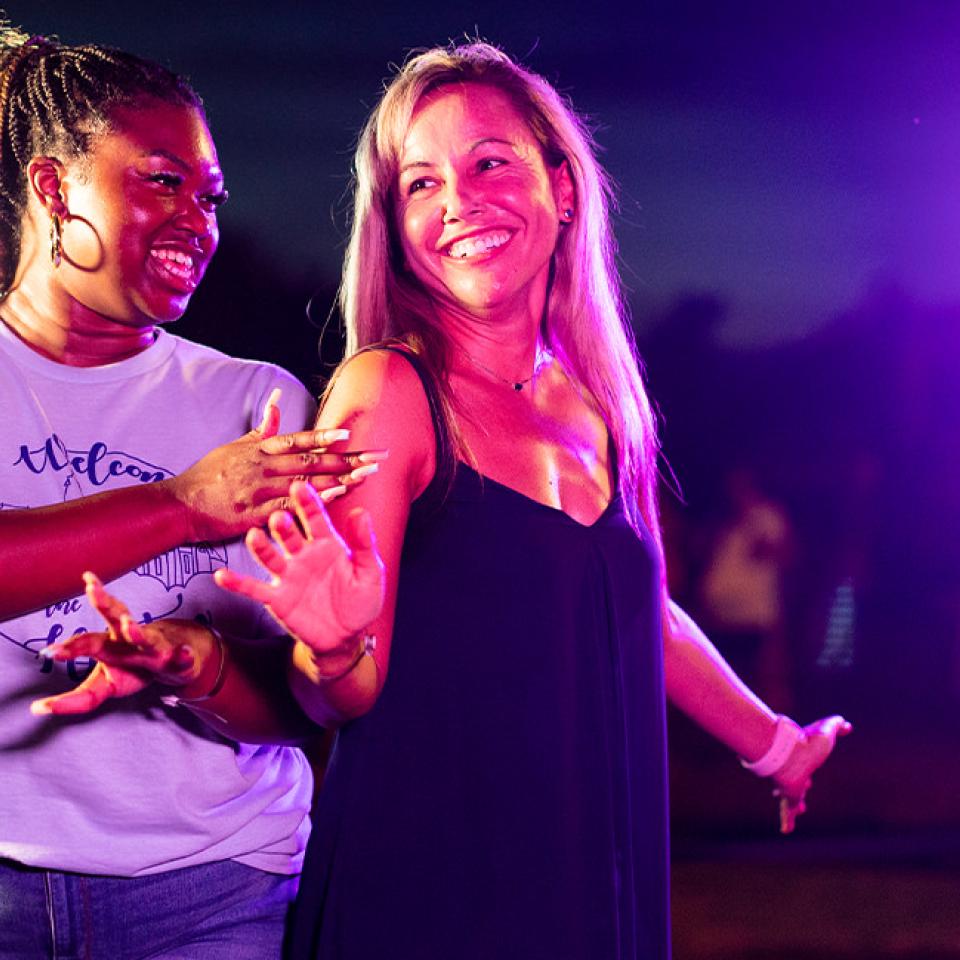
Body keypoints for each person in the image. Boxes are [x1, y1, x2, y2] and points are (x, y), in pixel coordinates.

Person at [211, 42, 851, 960]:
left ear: (562, 185)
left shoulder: (598, 402)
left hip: (594, 873)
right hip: (436, 888)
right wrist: (332, 644)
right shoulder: (389, 394)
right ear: (393, 224)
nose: (459, 202)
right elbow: (337, 695)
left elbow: (640, 613)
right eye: (419, 184)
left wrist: (775, 745)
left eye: (488, 164)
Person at [0, 25, 382, 960]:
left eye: (211, 197)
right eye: (162, 180)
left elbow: (301, 707)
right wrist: (182, 506)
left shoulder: (258, 402)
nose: (198, 223)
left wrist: (194, 666)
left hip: (214, 888)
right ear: (54, 189)